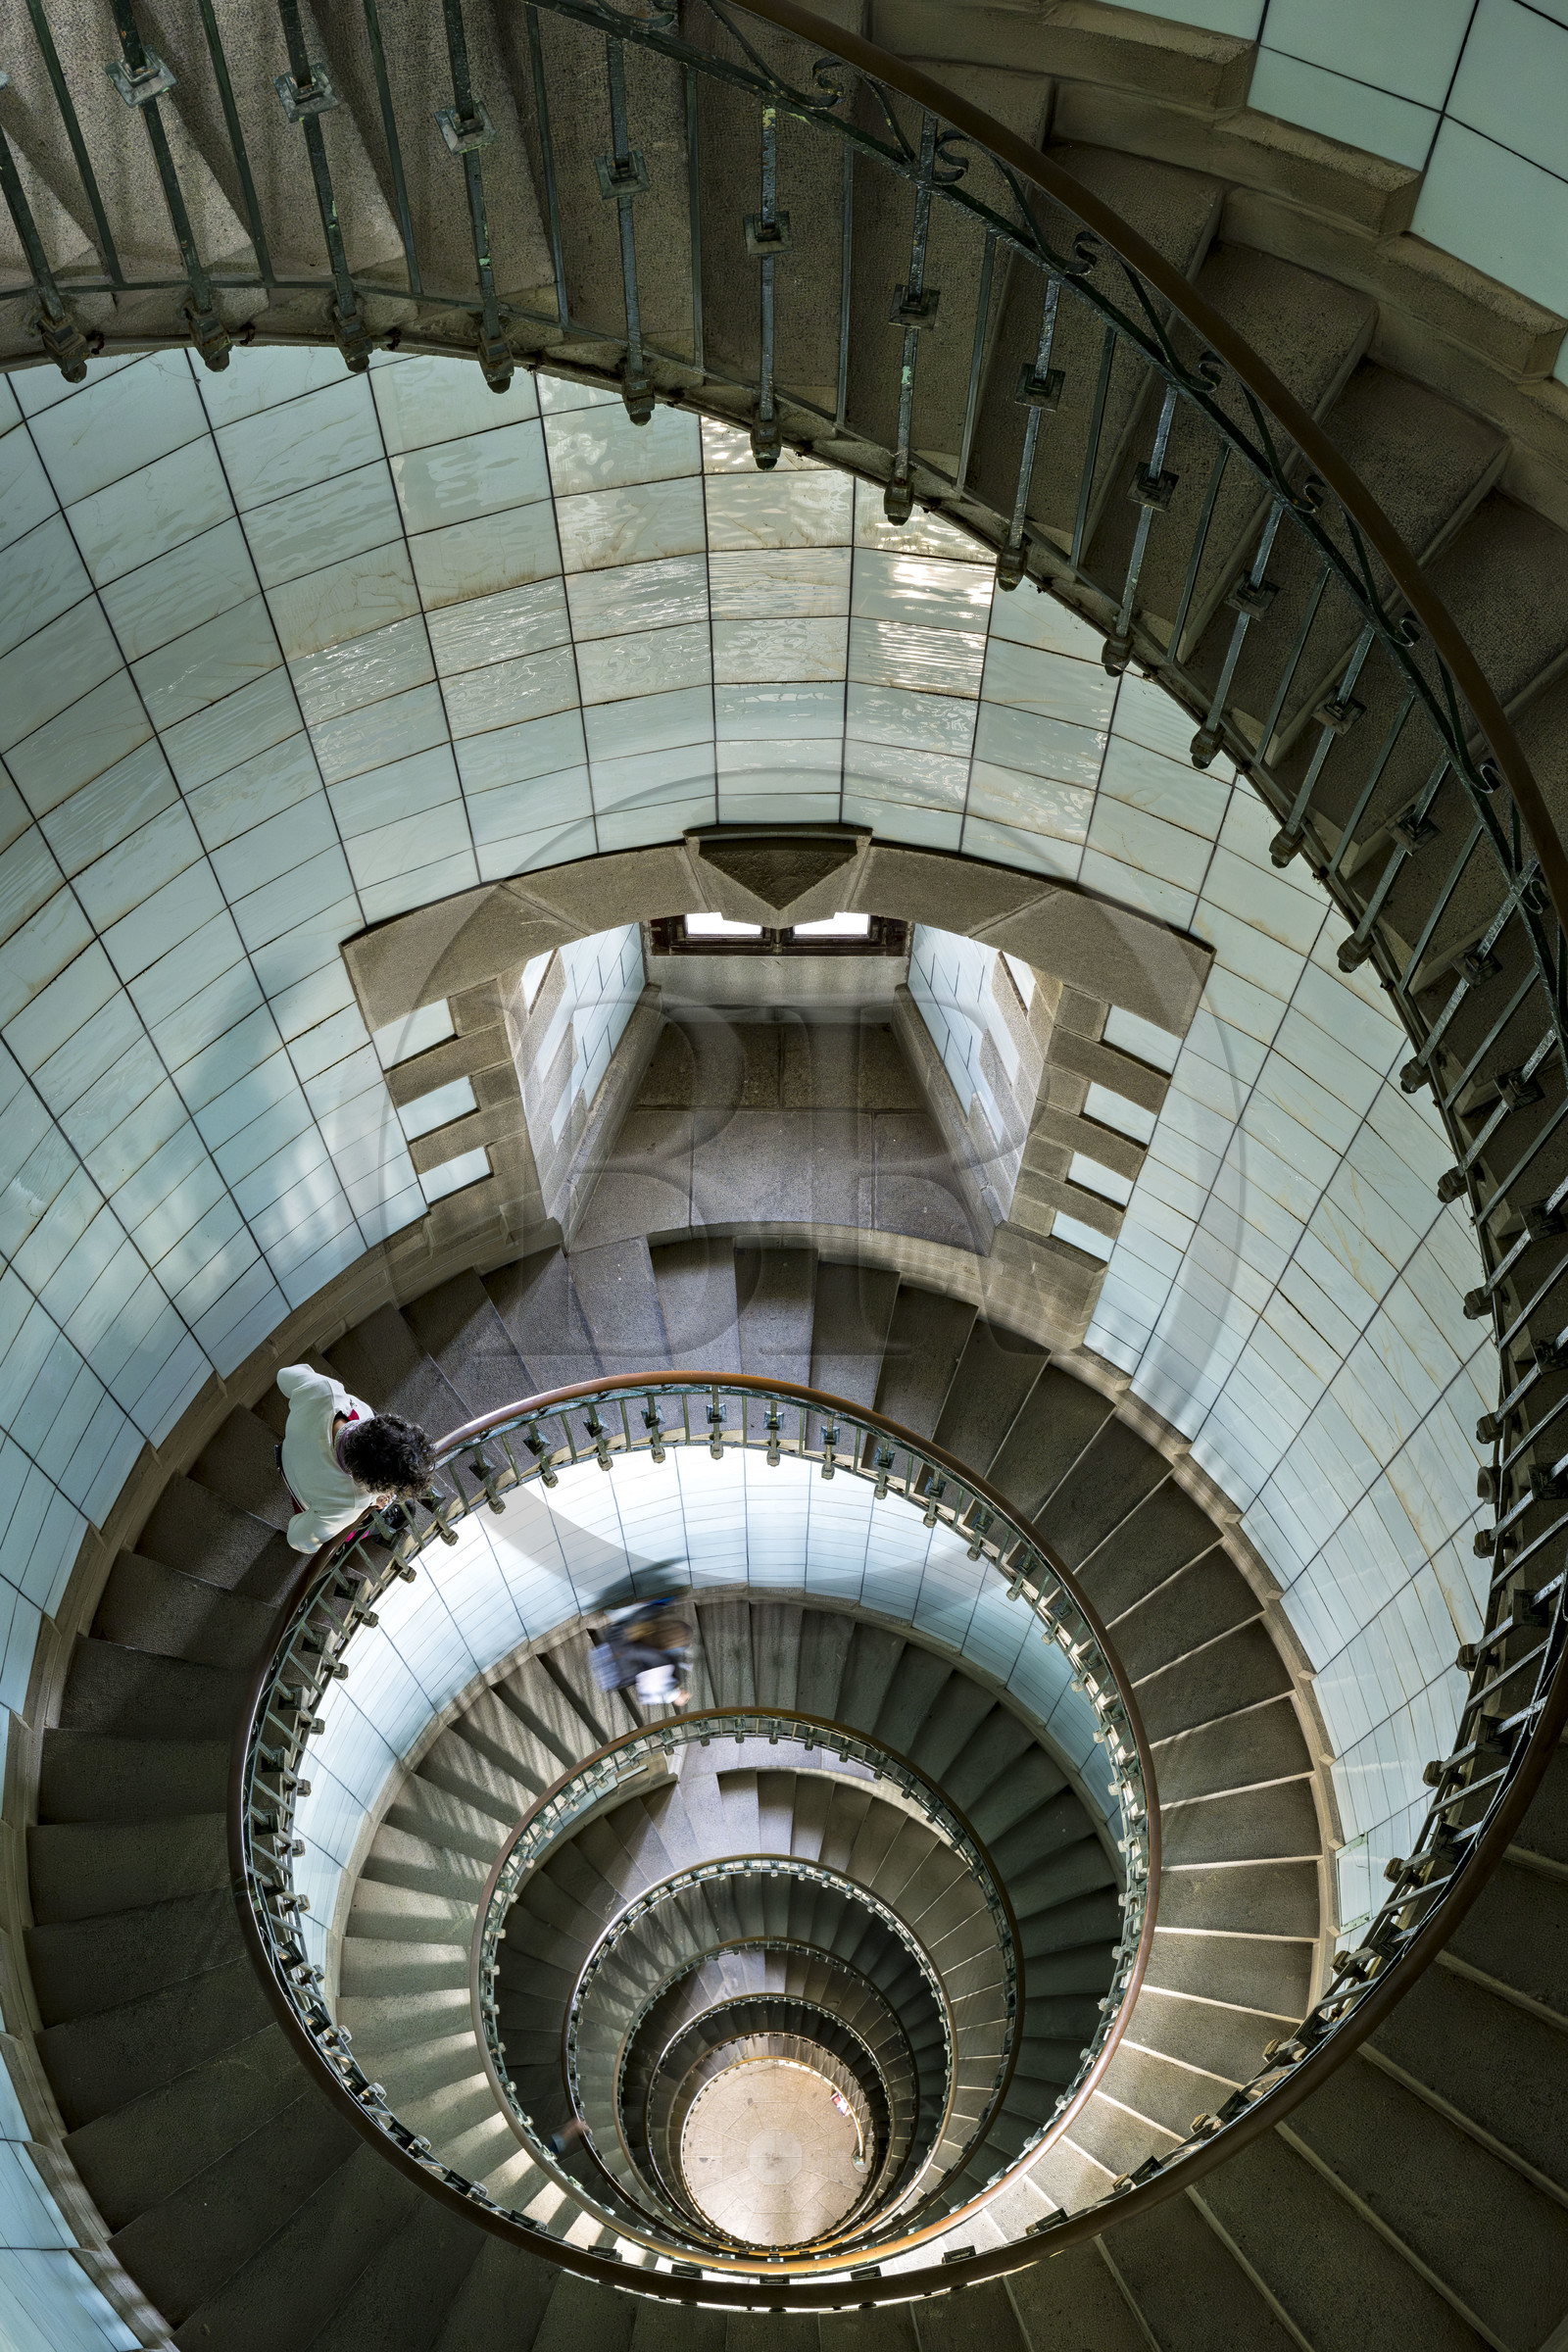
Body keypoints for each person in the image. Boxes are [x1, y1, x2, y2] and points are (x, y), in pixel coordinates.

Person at [276, 1363, 435, 1554]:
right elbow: (297, 1539)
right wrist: (369, 1501)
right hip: (302, 1494)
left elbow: (284, 1375)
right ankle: (361, 1533)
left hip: (291, 1448)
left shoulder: (325, 1390)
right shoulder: (348, 1503)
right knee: (369, 1520)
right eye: (389, 1488)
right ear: (365, 1480)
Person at [589, 1596, 693, 1706]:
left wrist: (656, 1605)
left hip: (611, 1665)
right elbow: (651, 1695)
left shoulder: (659, 1659)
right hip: (610, 1670)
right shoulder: (659, 1659)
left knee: (629, 1630)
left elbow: (629, 1650)